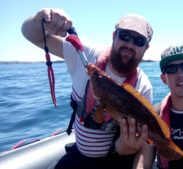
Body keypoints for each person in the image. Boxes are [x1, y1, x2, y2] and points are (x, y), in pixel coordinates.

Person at [22, 8, 154, 169]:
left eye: (138, 41)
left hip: (115, 158)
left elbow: (142, 139)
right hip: (79, 154)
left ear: (146, 47)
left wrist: (127, 146)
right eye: (124, 36)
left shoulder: (143, 86)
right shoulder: (84, 54)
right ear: (114, 36)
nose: (129, 44)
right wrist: (39, 19)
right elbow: (30, 34)